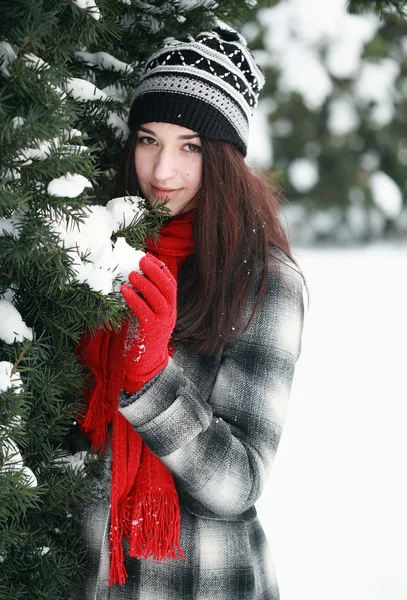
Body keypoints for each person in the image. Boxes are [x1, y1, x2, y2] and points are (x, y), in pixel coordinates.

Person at [76, 24, 304, 600]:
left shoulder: (265, 281)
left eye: (190, 146)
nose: (161, 172)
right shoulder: (100, 251)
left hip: (200, 581)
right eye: (149, 139)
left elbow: (239, 483)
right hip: (88, 577)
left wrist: (152, 379)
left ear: (223, 157)